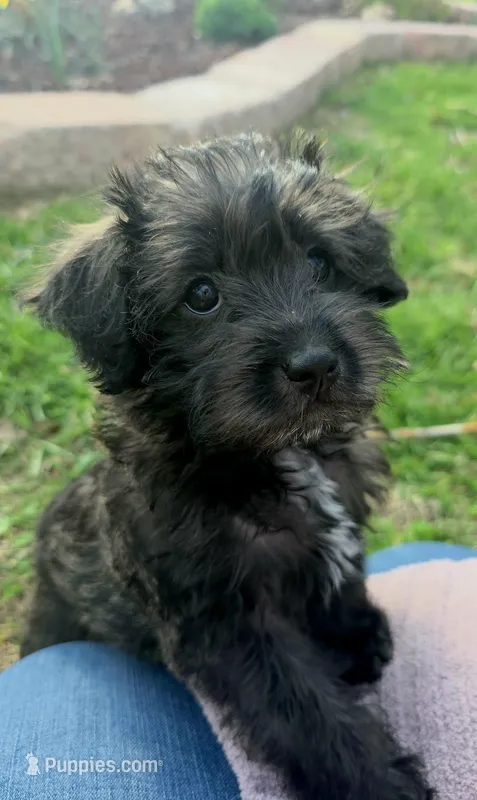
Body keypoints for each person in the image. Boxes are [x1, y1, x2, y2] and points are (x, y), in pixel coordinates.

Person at [0, 542, 475, 800]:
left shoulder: (325, 451)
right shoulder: (182, 524)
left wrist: (347, 620)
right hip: (99, 639)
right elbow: (234, 650)